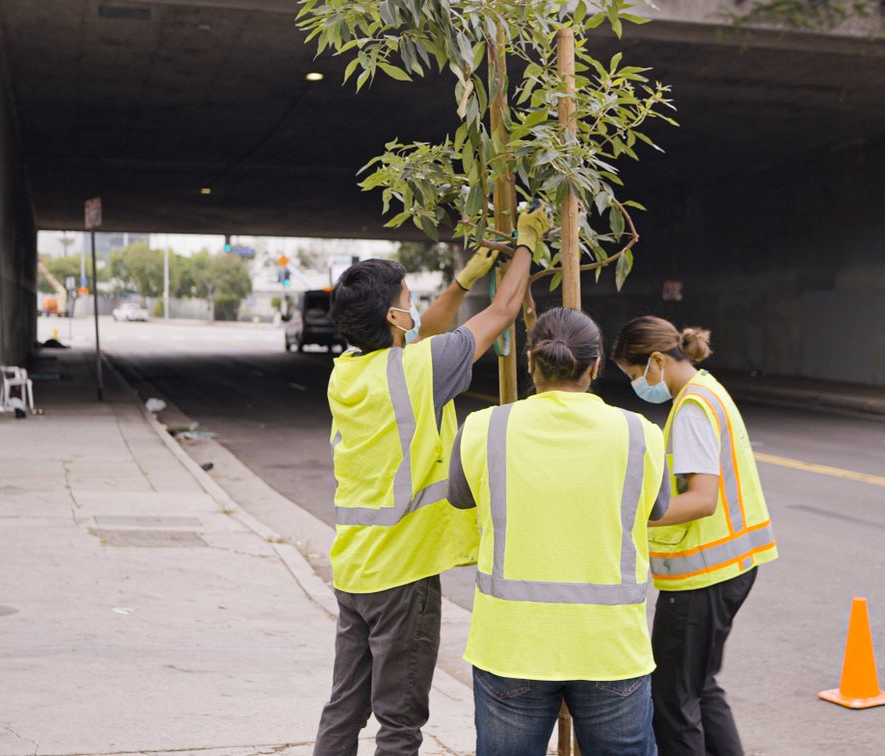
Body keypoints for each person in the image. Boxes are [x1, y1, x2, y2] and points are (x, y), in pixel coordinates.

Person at [313, 206, 549, 756]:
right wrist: (527, 246)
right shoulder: (420, 370)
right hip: (404, 573)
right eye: (407, 302)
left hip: (354, 568)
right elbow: (505, 309)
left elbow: (431, 334)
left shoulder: (346, 372)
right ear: (395, 320)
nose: (414, 310)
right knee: (399, 721)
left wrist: (462, 279)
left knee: (343, 710)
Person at [449, 307, 670, 756]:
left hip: (512, 645)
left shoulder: (483, 428)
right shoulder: (641, 433)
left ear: (530, 360)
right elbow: (659, 507)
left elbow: (458, 496)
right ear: (595, 366)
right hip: (609, 648)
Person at [612, 316, 778, 756]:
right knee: (700, 689)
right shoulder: (709, 390)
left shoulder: (691, 409)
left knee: (672, 702)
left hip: (702, 576)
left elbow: (702, 498)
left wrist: (627, 519)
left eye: (635, 375)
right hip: (732, 566)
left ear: (657, 360)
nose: (638, 384)